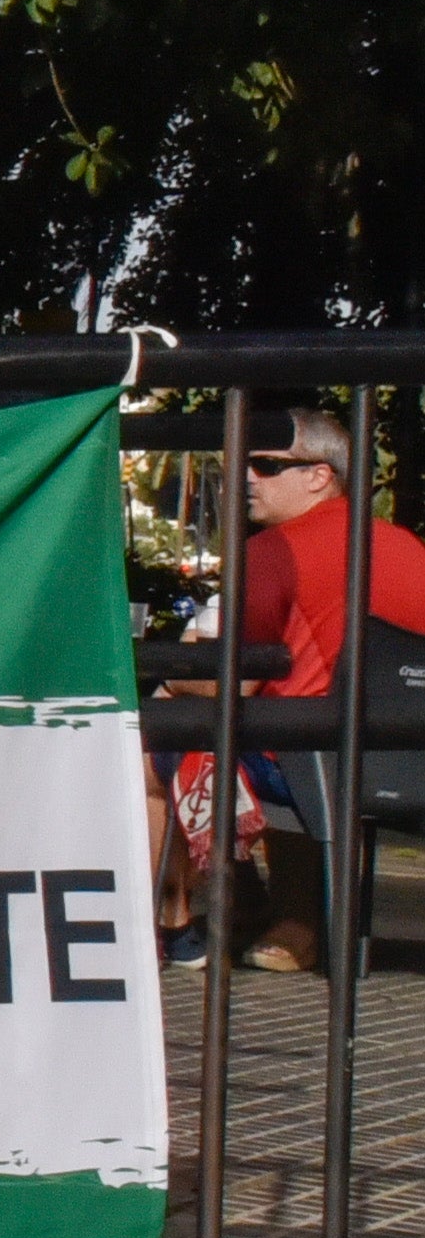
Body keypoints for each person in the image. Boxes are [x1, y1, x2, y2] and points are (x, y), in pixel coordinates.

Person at [170, 411, 425, 971]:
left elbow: (231, 679)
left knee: (167, 728)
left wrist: (167, 673)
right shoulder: (406, 546)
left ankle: (175, 918)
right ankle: (268, 909)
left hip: (312, 761)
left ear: (320, 476)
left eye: (264, 464)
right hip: (406, 758)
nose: (246, 477)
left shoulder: (273, 550)